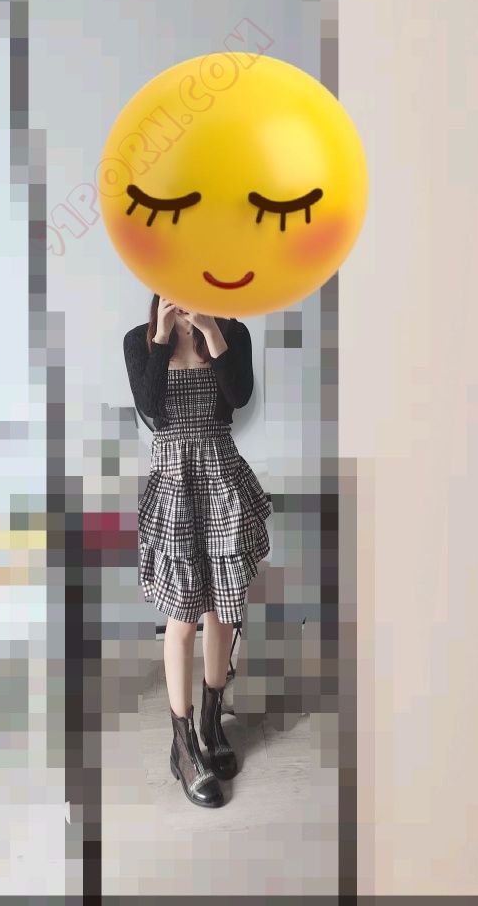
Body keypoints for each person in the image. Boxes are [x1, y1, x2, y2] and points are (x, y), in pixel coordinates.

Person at [123, 294, 273, 808]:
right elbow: (151, 408)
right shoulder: (139, 340)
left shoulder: (233, 332)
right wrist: (164, 338)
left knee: (224, 610)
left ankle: (211, 721)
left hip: (221, 476)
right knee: (183, 617)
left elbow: (239, 396)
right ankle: (183, 743)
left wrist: (211, 330)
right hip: (175, 482)